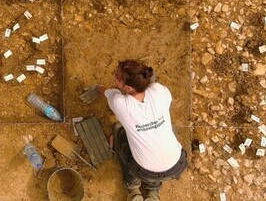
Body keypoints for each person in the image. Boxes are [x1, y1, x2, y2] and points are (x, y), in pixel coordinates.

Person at [80, 60, 187, 201]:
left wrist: (96, 88)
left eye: (117, 77)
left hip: (144, 169)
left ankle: (133, 186)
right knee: (169, 130)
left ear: (128, 88)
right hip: (177, 164)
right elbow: (153, 87)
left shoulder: (121, 104)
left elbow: (105, 91)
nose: (114, 77)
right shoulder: (160, 91)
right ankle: (153, 190)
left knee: (119, 133)